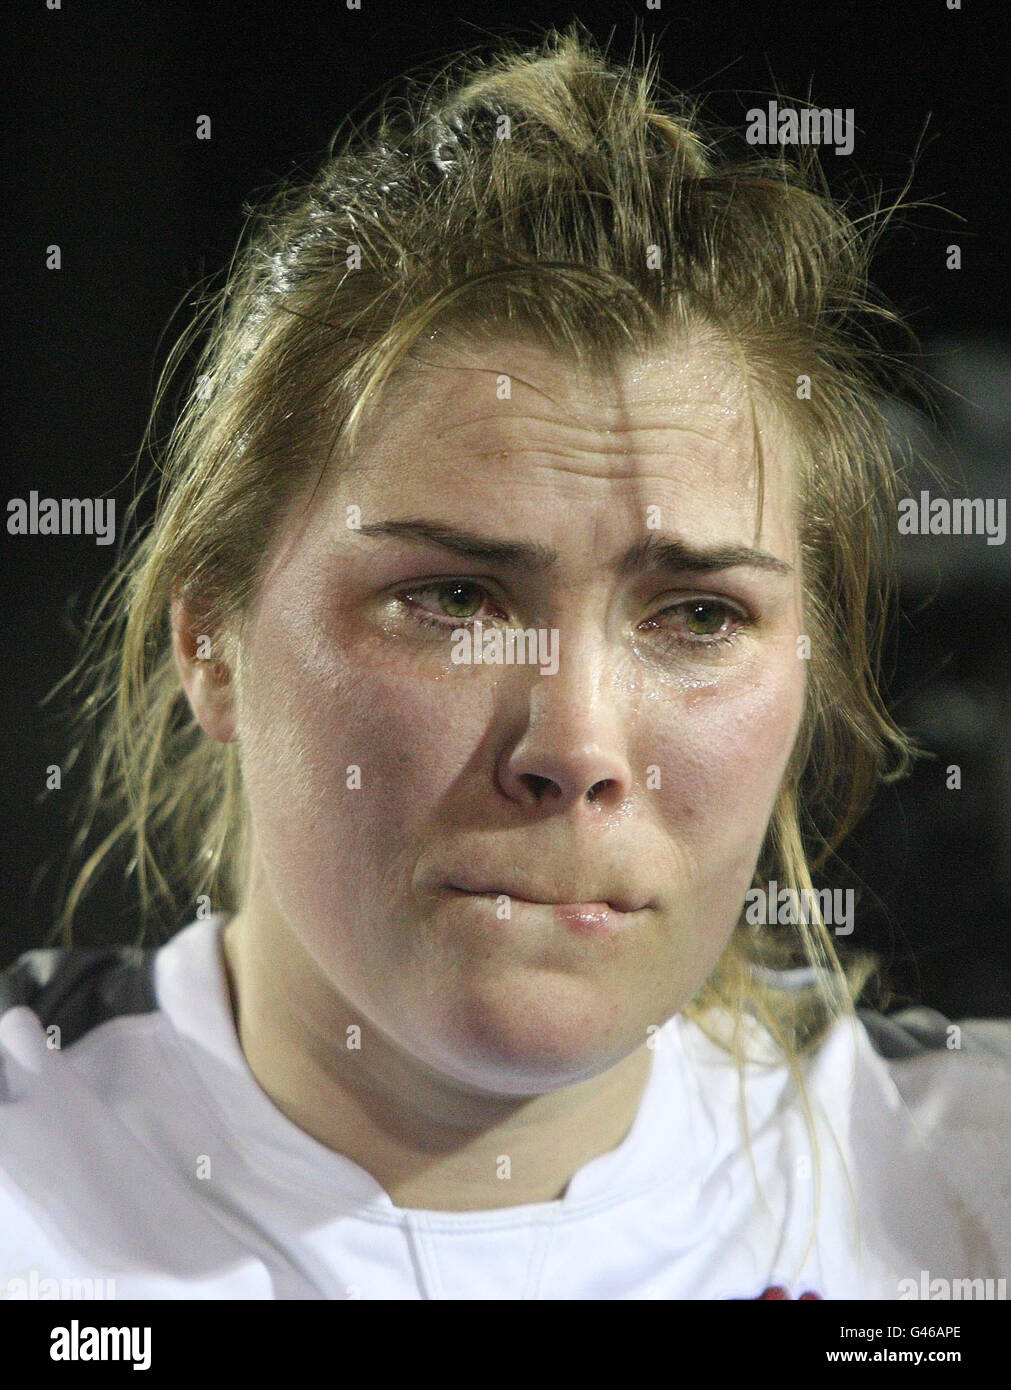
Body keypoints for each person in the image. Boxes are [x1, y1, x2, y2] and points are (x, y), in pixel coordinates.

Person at [1, 24, 1008, 1302]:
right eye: (455, 597)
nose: (575, 746)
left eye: (697, 616)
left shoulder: (971, 1197)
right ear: (212, 638)